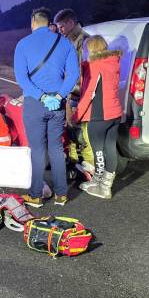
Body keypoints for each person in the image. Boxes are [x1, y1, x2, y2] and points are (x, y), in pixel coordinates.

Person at [13, 7, 80, 208]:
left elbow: (22, 78)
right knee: (57, 148)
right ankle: (61, 194)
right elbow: (74, 75)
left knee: (37, 150)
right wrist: (59, 95)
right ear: (49, 22)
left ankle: (36, 195)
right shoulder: (64, 43)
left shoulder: (23, 44)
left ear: (34, 22)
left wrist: (40, 95)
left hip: (35, 103)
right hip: (57, 104)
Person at [73, 35, 123, 199]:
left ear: (91, 49)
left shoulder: (95, 66)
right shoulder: (113, 62)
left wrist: (77, 115)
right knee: (110, 148)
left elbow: (89, 93)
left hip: (99, 115)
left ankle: (103, 188)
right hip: (114, 113)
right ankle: (102, 182)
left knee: (98, 151)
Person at [54, 9, 94, 177]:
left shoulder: (82, 40)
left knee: (80, 132)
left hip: (78, 93)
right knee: (71, 129)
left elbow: (80, 70)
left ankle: (88, 166)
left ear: (71, 22)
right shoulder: (69, 40)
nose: (60, 30)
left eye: (62, 26)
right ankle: (74, 164)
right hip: (71, 93)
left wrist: (70, 89)